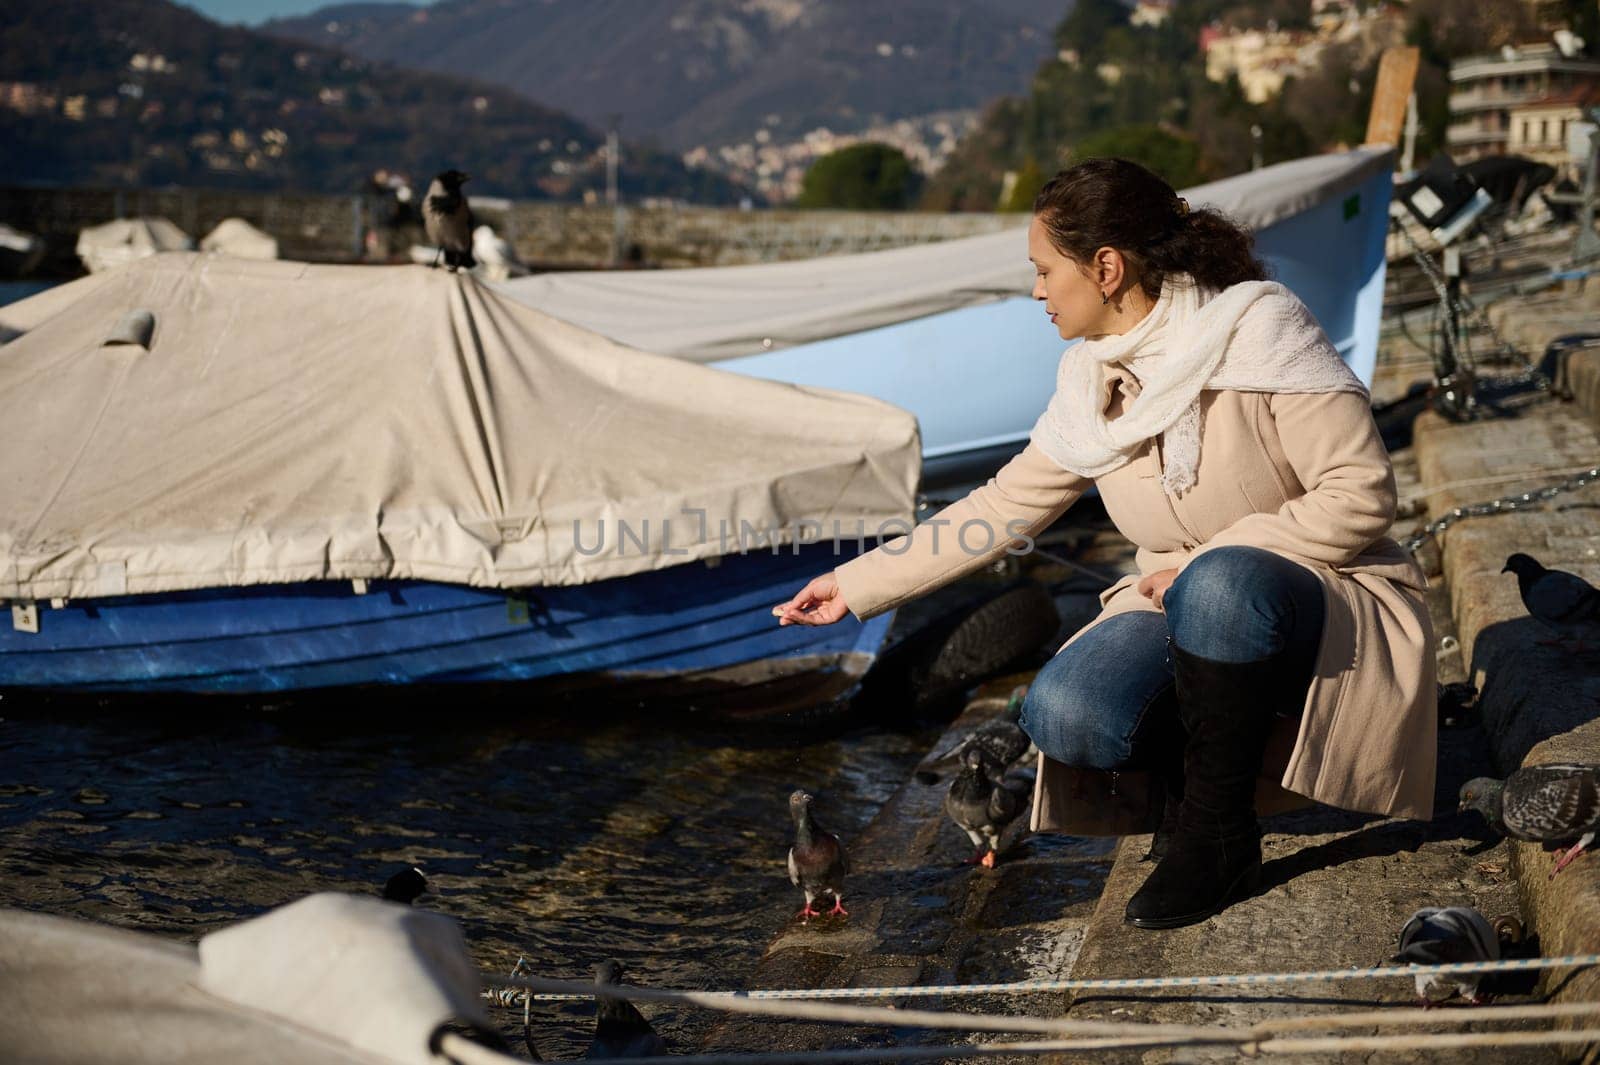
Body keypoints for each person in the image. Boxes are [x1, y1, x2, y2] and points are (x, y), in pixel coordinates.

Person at [771, 158, 1435, 930]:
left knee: (1218, 587)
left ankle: (1217, 835)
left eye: (1046, 270)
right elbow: (999, 505)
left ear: (1107, 267)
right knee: (1065, 711)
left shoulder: (1260, 328)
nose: (1037, 291)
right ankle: (1197, 787)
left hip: (1320, 599)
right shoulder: (1091, 381)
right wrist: (853, 588)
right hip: (1179, 609)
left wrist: (1194, 567)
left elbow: (1361, 494)